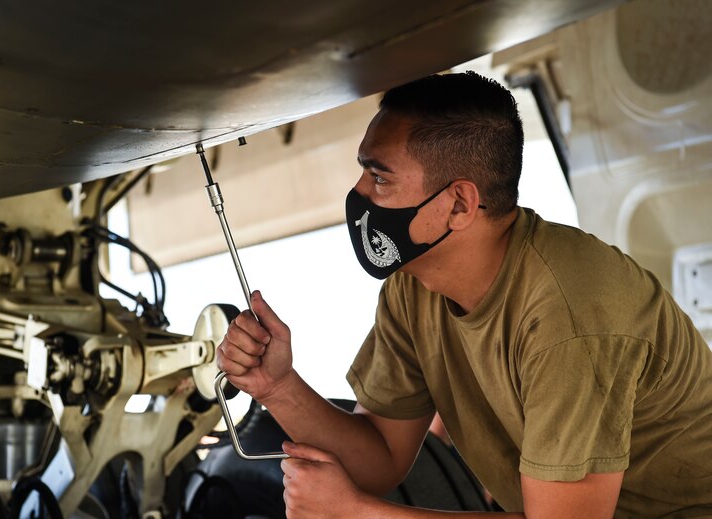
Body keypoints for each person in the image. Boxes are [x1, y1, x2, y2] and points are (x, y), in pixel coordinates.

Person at [216, 72, 712, 518]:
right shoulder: (414, 288)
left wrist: (356, 514)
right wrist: (276, 386)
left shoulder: (571, 315)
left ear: (458, 204)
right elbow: (382, 458)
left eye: (379, 177)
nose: (360, 193)